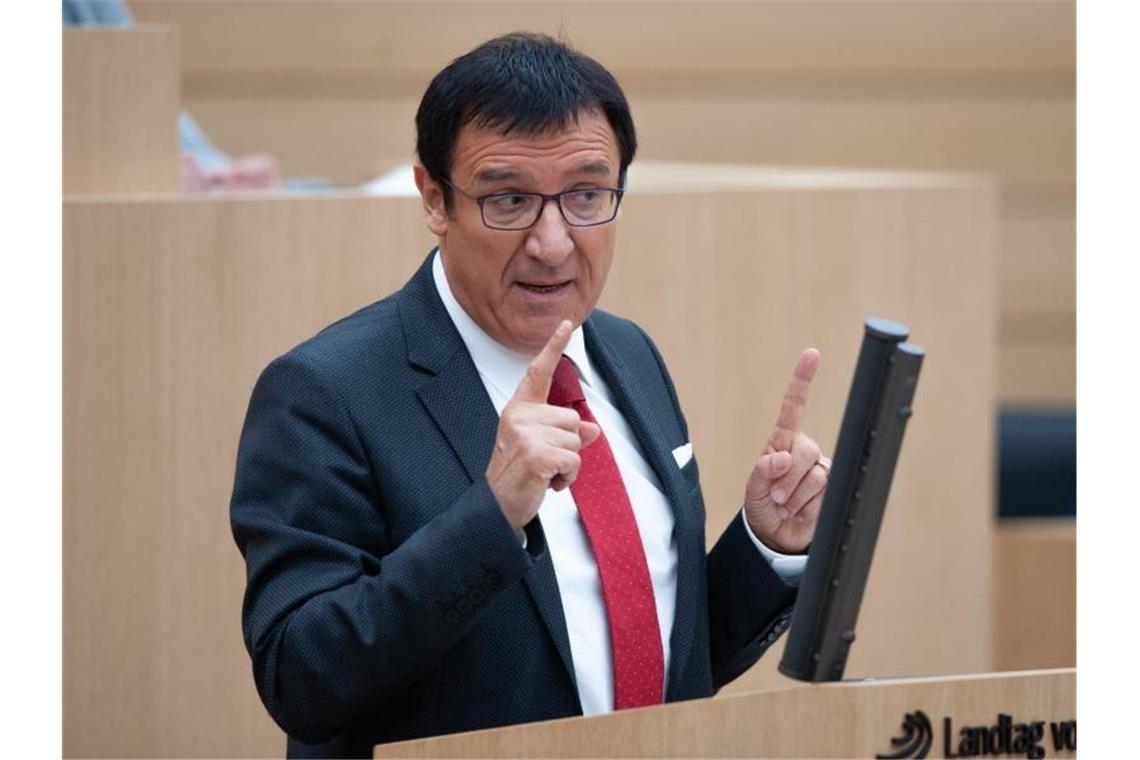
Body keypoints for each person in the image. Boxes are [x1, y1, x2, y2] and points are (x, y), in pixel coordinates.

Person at [230, 33, 829, 759]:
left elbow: (661, 662)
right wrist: (493, 514)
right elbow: (303, 679)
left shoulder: (629, 353)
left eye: (585, 195)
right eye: (509, 199)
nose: (552, 242)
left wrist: (766, 544)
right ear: (433, 198)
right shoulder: (325, 393)